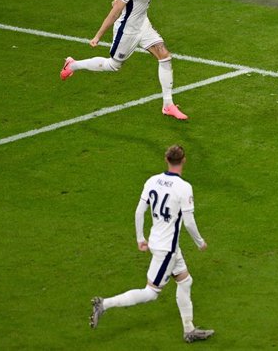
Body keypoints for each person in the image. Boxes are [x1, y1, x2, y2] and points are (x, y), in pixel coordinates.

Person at [89, 145, 213, 343]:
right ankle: (104, 304)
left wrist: (140, 238)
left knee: (185, 281)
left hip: (157, 241)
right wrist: (200, 242)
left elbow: (139, 211)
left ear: (166, 159)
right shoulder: (184, 187)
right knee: (151, 292)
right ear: (184, 160)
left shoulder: (152, 180)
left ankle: (189, 330)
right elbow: (189, 222)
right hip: (167, 250)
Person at [60, 0, 188, 120]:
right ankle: (72, 65)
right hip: (127, 31)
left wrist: (119, 0)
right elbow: (114, 14)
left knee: (165, 56)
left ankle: (168, 105)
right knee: (113, 65)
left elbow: (127, 1)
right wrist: (98, 36)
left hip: (143, 24)